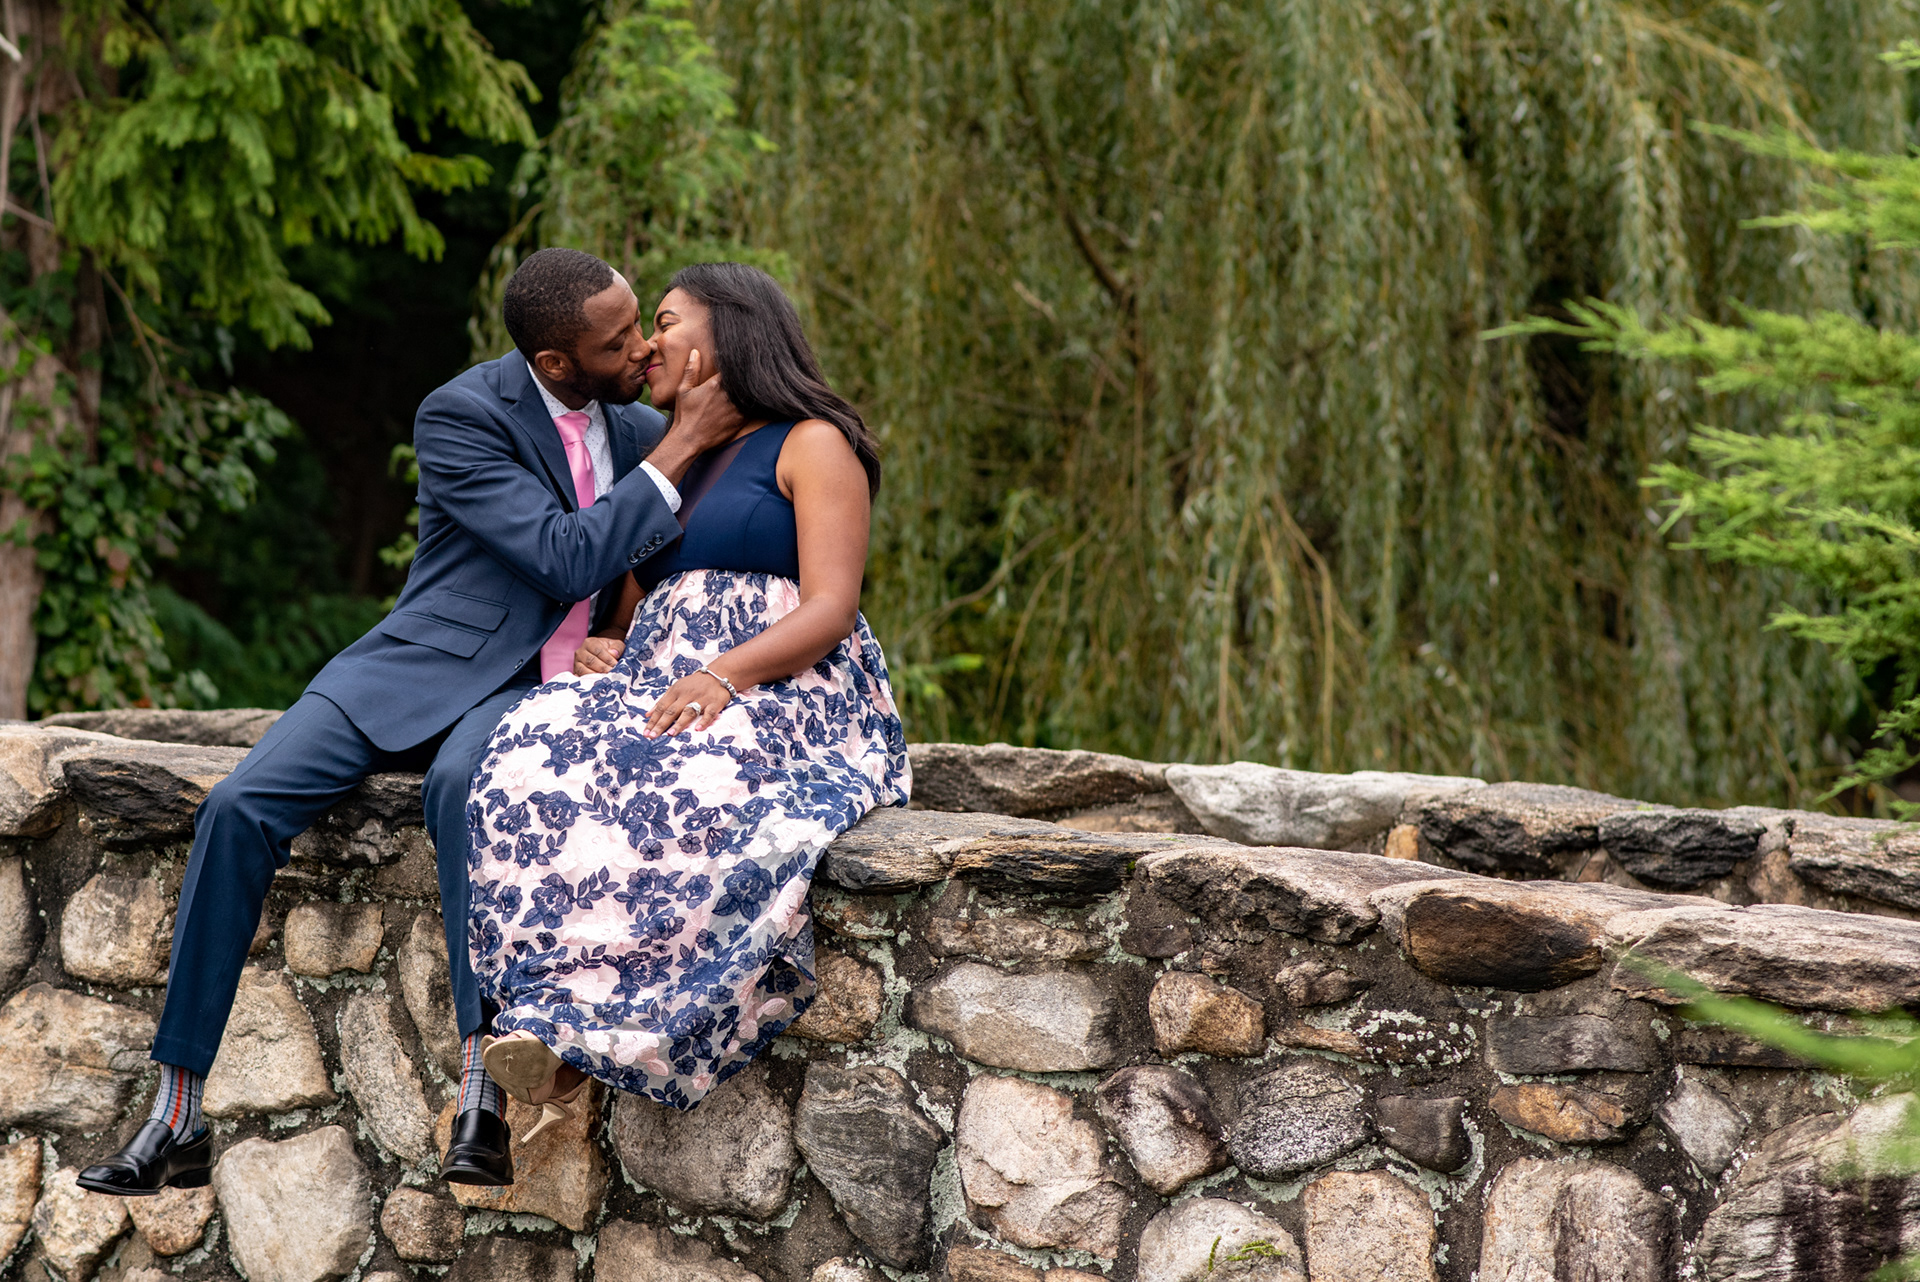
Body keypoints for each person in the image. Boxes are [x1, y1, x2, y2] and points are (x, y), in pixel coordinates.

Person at [76, 248, 745, 1196]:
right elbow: (562, 557)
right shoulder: (464, 414)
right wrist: (678, 450)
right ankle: (176, 1113)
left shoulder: (640, 426)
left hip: (541, 693)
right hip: (413, 666)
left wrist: (619, 634)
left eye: (641, 324)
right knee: (235, 806)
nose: (641, 348)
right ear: (555, 362)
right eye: (618, 340)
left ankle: (481, 1094)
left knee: (463, 791)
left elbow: (654, 566)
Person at [465, 262, 909, 1127]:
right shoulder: (670, 461)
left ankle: (623, 1033)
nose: (646, 347)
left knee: (693, 782)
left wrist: (723, 675)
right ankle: (556, 1017)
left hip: (785, 685)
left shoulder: (811, 442)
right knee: (532, 748)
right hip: (665, 682)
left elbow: (831, 606)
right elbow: (629, 604)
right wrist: (606, 642)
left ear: (731, 330)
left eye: (665, 323)